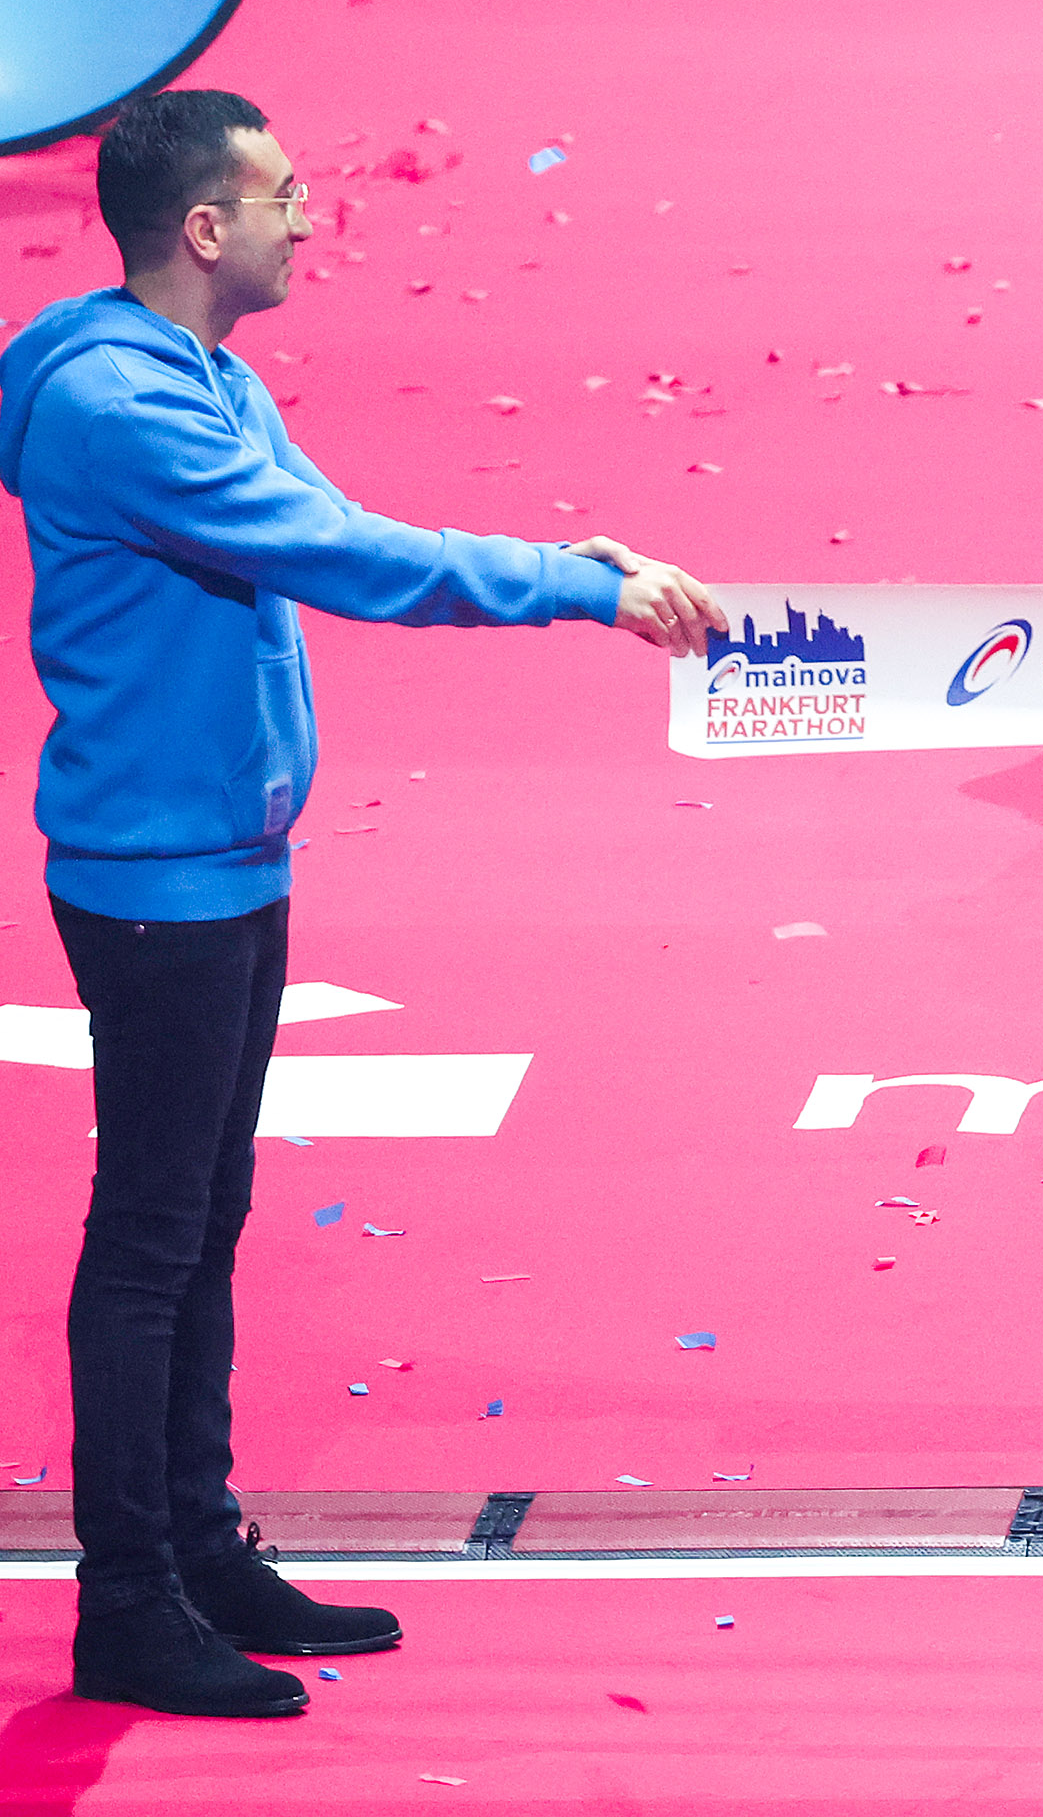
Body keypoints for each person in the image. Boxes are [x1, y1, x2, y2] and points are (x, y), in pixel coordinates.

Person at [0, 91, 724, 1719]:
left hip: (224, 861)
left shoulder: (204, 375)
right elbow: (345, 560)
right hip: (156, 883)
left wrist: (571, 551)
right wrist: (578, 591)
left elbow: (341, 522)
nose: (309, 217)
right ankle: (127, 1602)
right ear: (205, 230)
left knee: (205, 1220)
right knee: (151, 1239)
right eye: (282, 194)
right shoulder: (126, 408)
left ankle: (200, 1547)